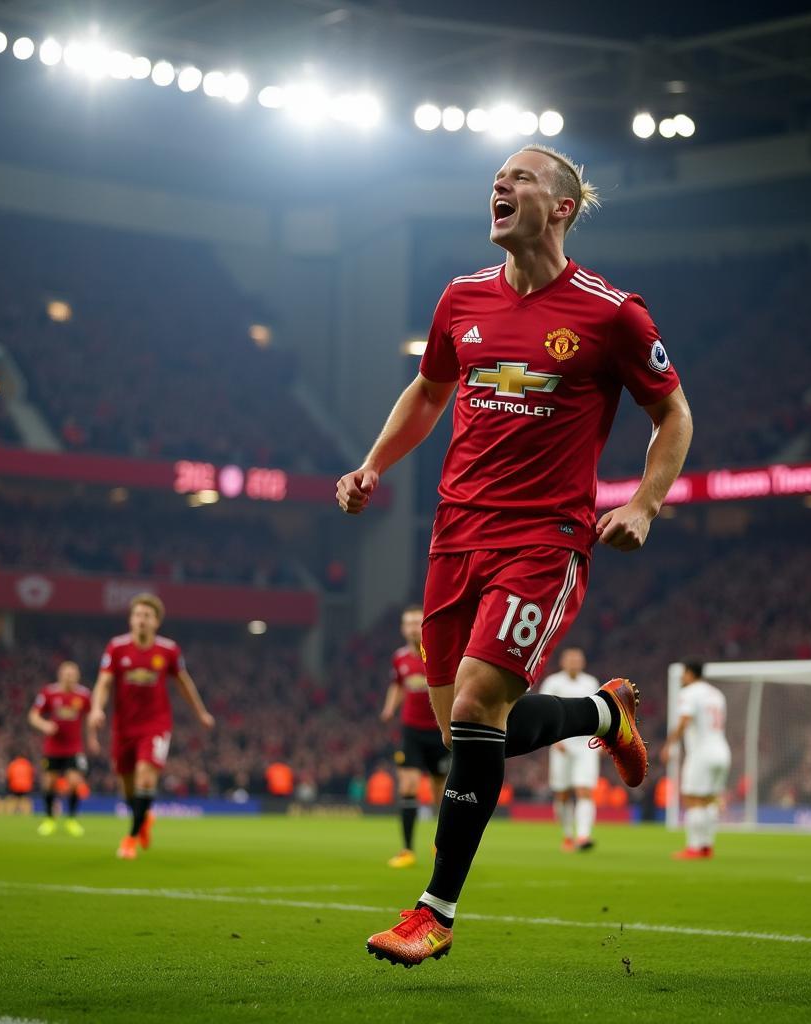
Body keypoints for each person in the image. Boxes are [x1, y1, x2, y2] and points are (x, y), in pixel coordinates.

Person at [337, 144, 692, 966]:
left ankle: (436, 910)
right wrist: (373, 464)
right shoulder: (459, 298)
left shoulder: (612, 314)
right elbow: (429, 391)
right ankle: (603, 713)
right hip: (454, 536)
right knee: (466, 725)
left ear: (561, 206)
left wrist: (643, 502)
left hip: (545, 538)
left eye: (521, 178)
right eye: (497, 178)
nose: (500, 185)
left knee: (473, 707)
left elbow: (673, 415)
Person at [87, 593, 214, 860]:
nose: (141, 620)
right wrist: (97, 708)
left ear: (157, 622)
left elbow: (184, 683)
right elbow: (104, 683)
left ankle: (130, 838)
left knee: (146, 775)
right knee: (128, 787)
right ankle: (143, 819)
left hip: (155, 724)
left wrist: (200, 712)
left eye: (147, 616)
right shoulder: (117, 647)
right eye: (137, 615)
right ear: (130, 619)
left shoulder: (168, 650)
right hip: (123, 727)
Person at [380, 605, 450, 868]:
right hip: (411, 730)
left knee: (440, 792)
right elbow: (398, 685)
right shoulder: (399, 658)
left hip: (440, 730)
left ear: (425, 625)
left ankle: (441, 846)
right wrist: (389, 708)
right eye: (407, 623)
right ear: (402, 628)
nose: (411, 627)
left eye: (416, 623)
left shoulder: (439, 653)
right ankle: (407, 850)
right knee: (407, 786)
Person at [660, 660, 731, 859]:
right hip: (722, 751)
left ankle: (694, 847)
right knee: (709, 800)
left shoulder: (689, 693)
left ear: (690, 674)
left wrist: (670, 744)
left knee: (693, 799)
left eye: (684, 673)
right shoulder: (717, 694)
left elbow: (684, 720)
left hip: (702, 753)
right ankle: (707, 846)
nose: (682, 677)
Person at [539, 648, 602, 851]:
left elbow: (600, 712)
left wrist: (600, 738)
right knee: (563, 793)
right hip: (562, 744)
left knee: (585, 790)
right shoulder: (553, 683)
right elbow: (544, 713)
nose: (574, 662)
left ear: (583, 663)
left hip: (586, 745)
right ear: (563, 662)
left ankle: (583, 836)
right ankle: (567, 835)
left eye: (578, 659)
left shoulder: (591, 683)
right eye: (571, 659)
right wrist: (553, 739)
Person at [28, 660, 91, 837]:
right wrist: (44, 725)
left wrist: (92, 738)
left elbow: (90, 717)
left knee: (74, 782)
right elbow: (33, 715)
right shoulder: (49, 692)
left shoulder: (84, 695)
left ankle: (71, 819)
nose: (69, 677)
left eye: (72, 674)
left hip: (74, 747)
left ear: (77, 676)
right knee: (49, 783)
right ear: (60, 674)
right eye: (66, 673)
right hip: (53, 747)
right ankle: (49, 819)